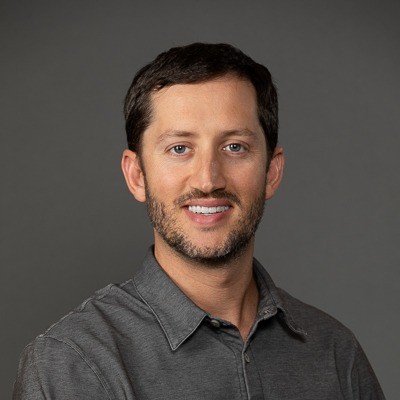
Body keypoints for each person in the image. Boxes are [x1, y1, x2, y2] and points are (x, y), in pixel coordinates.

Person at [13, 43, 385, 399]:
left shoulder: (335, 353)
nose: (208, 180)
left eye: (234, 147)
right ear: (137, 175)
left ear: (271, 172)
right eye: (179, 148)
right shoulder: (72, 362)